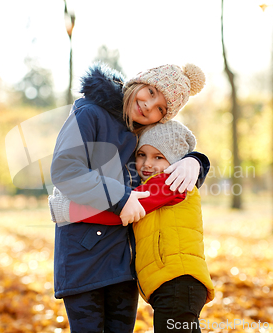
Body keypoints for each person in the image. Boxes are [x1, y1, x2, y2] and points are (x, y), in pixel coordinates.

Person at [50, 62, 209, 333]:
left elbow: (170, 150)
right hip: (84, 257)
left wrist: (195, 161)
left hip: (124, 262)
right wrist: (121, 198)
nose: (149, 105)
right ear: (138, 82)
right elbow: (66, 170)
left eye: (161, 108)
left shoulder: (138, 129)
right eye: (150, 92)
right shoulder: (90, 114)